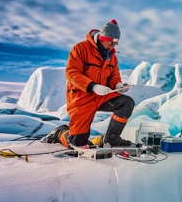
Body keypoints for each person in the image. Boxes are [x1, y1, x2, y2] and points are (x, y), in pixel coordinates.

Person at [45, 19, 135, 149]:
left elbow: (114, 77)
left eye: (116, 43)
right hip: (81, 96)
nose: (113, 46)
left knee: (126, 103)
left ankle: (111, 139)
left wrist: (118, 86)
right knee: (77, 144)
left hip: (101, 96)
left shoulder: (112, 57)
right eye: (111, 42)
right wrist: (93, 86)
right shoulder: (81, 49)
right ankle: (60, 133)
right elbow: (72, 73)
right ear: (102, 38)